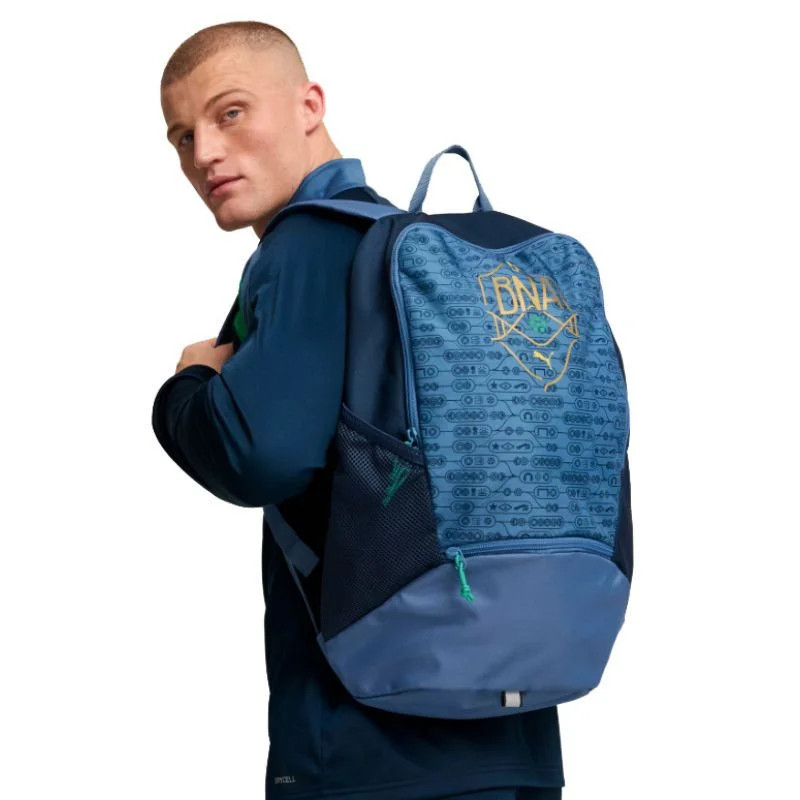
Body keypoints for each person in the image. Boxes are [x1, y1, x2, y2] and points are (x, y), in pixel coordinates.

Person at [151, 21, 565, 800]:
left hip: (364, 743)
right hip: (515, 731)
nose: (203, 153)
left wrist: (185, 390)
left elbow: (260, 454)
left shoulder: (307, 243)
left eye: (230, 113)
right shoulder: (423, 256)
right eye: (181, 136)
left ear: (310, 104)